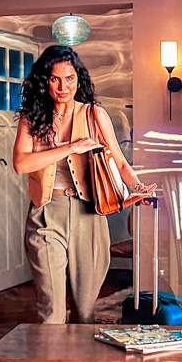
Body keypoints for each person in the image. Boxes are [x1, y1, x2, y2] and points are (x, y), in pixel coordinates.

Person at [12, 45, 155, 324]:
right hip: (46, 213)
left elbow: (121, 163)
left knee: (85, 310)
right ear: (45, 81)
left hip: (88, 215)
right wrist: (70, 147)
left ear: (78, 79)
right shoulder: (31, 119)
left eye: (69, 78)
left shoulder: (94, 115)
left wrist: (138, 187)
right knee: (50, 308)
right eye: (55, 79)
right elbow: (21, 164)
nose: (63, 86)